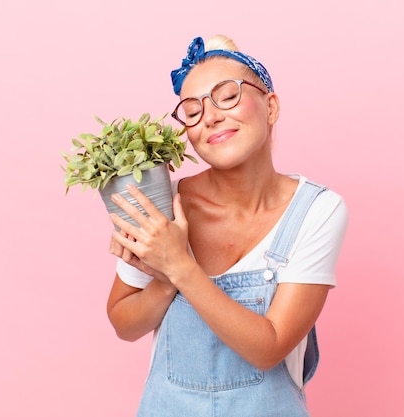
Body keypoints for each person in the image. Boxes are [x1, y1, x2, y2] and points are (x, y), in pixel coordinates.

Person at [106, 35, 348, 417]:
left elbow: (269, 348)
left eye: (227, 95)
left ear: (271, 106)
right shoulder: (164, 204)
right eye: (192, 110)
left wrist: (180, 267)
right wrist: (165, 279)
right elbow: (124, 322)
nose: (211, 116)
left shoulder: (316, 211)